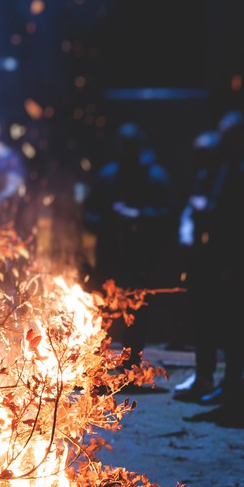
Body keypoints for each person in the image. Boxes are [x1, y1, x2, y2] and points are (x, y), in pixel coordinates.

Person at [180, 112, 244, 414]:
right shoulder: (229, 165)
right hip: (224, 259)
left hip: (240, 262)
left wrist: (235, 261)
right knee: (231, 330)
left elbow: (243, 220)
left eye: (226, 134)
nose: (221, 140)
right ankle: (231, 386)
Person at [82, 123, 176, 377]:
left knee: (136, 310)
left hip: (139, 256)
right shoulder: (108, 176)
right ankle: (98, 365)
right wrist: (108, 222)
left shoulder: (153, 177)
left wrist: (139, 216)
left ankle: (132, 365)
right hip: (109, 257)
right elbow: (89, 213)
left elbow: (168, 215)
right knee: (104, 310)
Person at [173, 131, 222, 399]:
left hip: (217, 260)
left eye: (204, 154)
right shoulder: (203, 178)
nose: (199, 160)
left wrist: (208, 209)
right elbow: (190, 212)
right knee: (201, 322)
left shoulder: (224, 178)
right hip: (199, 260)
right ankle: (203, 375)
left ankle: (217, 380)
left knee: (216, 322)